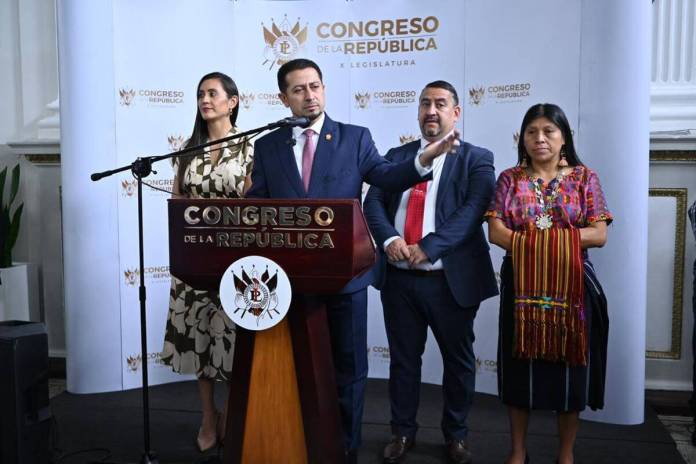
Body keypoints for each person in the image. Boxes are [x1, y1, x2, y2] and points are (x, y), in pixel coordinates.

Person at [245, 58, 457, 462]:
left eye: (315, 86)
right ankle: (299, 437)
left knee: (349, 367)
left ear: (324, 89)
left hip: (345, 277)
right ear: (283, 97)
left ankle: (346, 446)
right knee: (297, 364)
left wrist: (423, 160)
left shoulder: (354, 138)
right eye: (299, 89)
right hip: (290, 280)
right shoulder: (267, 145)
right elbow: (257, 204)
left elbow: (387, 175)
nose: (309, 95)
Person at [363, 80, 498, 464]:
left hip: (449, 282)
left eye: (441, 104)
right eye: (425, 104)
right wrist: (389, 240)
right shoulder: (396, 155)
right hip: (400, 281)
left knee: (458, 363)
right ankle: (402, 433)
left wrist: (430, 247)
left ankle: (456, 436)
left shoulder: (477, 158)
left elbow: (472, 213)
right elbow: (374, 202)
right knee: (404, 362)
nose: (431, 111)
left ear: (456, 112)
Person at [486, 103, 611, 464]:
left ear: (564, 137)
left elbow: (599, 233)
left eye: (548, 131)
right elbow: (496, 231)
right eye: (531, 132)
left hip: (572, 288)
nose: (539, 138)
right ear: (522, 139)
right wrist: (557, 240)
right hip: (521, 287)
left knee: (570, 370)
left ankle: (566, 454)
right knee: (518, 368)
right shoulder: (510, 178)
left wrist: (538, 242)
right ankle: (517, 451)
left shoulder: (585, 177)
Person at [160, 71, 254, 453]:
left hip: (236, 261)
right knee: (201, 342)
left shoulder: (251, 146)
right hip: (195, 260)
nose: (205, 100)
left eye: (213, 93)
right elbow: (178, 199)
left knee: (232, 341)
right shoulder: (187, 148)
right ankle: (208, 417)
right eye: (200, 94)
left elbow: (254, 203)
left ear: (232, 101)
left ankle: (233, 414)